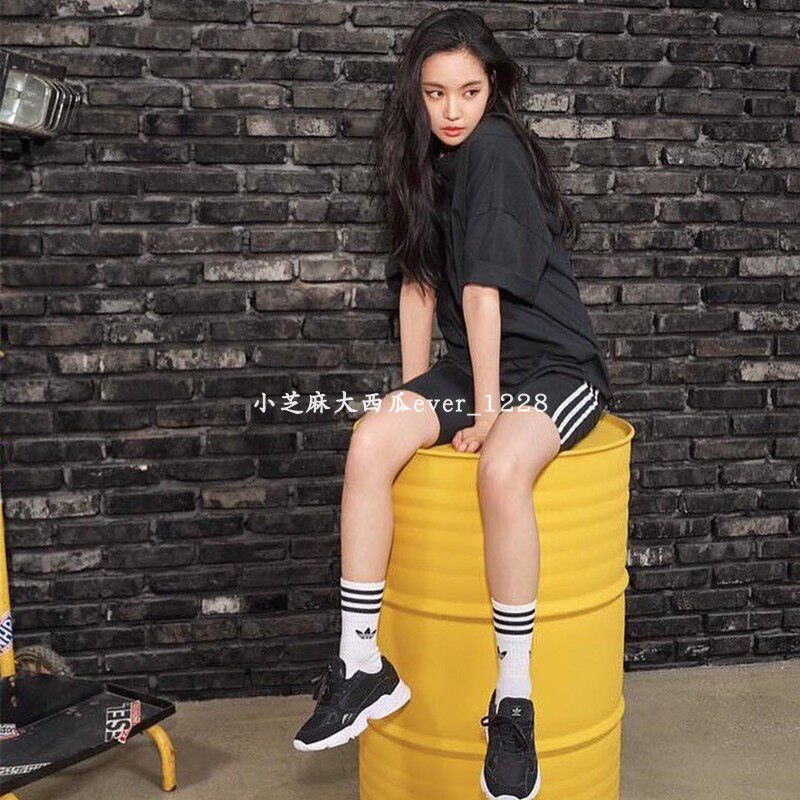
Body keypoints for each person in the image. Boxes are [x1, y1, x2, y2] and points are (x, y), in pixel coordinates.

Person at [292, 9, 613, 800]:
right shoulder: (419, 160)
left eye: (469, 90)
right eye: (436, 93)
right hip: (471, 366)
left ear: (493, 86)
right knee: (373, 437)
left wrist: (492, 413)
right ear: (417, 93)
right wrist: (414, 401)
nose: (453, 110)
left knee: (501, 470)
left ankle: (514, 700)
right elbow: (418, 284)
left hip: (553, 368)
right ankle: (362, 663)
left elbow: (479, 291)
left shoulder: (495, 149)